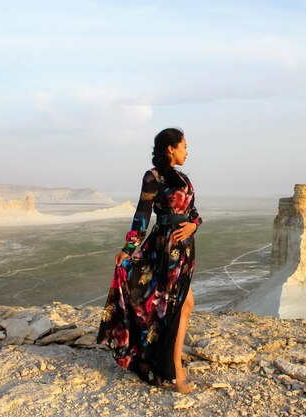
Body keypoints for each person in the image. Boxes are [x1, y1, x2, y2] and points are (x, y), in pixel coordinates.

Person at [96, 127, 202, 394]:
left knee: (184, 304)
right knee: (179, 305)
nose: (187, 152)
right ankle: (175, 371)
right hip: (166, 248)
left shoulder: (184, 178)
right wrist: (128, 248)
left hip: (186, 248)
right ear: (171, 148)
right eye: (184, 146)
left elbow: (194, 213)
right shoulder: (153, 176)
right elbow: (142, 214)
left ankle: (168, 361)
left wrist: (193, 226)